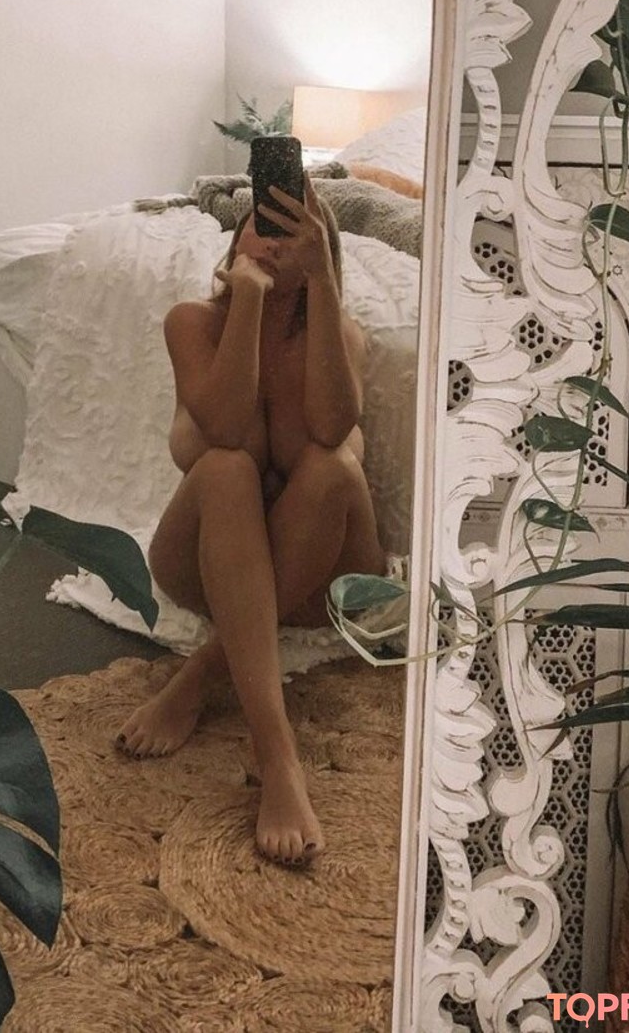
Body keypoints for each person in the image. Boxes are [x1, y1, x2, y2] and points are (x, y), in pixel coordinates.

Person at [115, 169, 385, 868]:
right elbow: (228, 427)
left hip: (322, 581)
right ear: (234, 241)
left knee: (331, 466)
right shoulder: (192, 325)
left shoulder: (342, 337)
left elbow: (330, 428)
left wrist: (320, 285)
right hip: (208, 567)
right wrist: (251, 301)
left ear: (320, 250)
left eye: (292, 232)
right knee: (227, 466)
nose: (271, 242)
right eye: (259, 226)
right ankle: (277, 747)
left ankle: (206, 680)